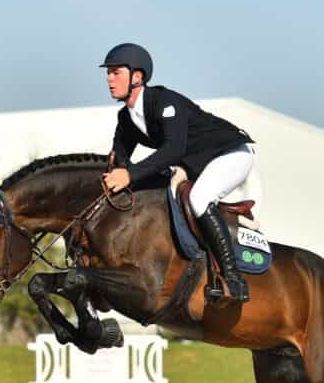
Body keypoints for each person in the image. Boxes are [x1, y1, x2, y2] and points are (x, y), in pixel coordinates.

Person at [100, 43, 254, 303]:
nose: (109, 79)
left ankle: (233, 278)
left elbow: (173, 149)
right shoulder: (126, 119)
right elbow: (119, 159)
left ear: (137, 76)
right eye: (108, 73)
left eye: (116, 73)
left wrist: (131, 175)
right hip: (196, 164)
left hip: (230, 154)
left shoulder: (165, 102)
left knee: (199, 199)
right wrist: (117, 172)